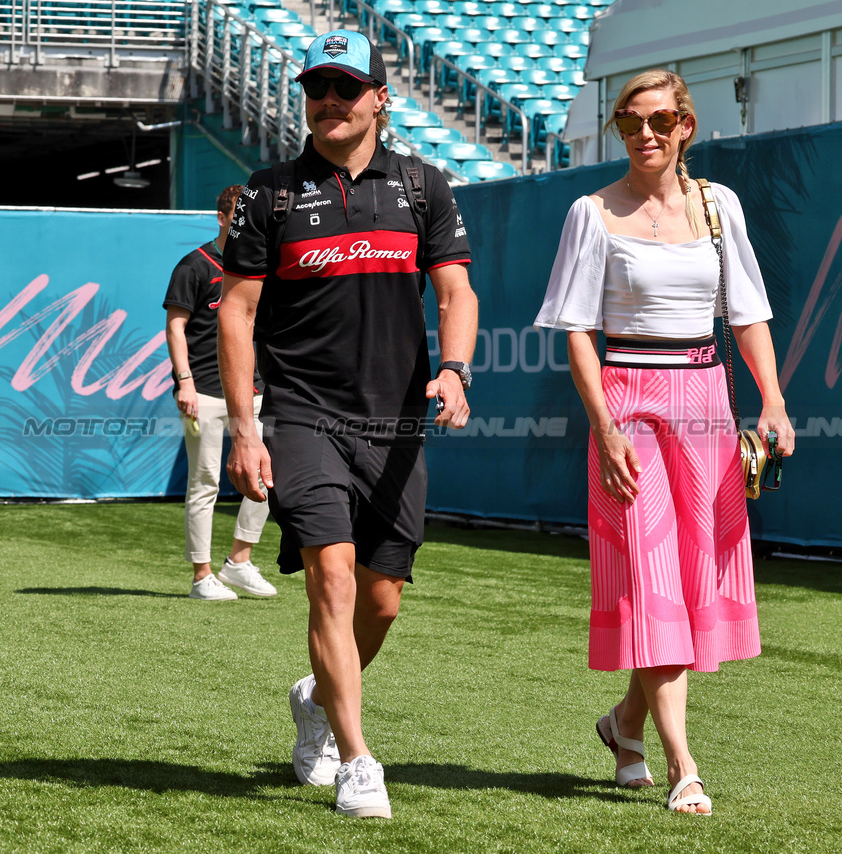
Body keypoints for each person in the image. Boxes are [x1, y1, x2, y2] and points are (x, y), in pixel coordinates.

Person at [218, 30, 477, 819]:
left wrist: (455, 369)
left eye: (347, 87)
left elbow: (456, 294)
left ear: (379, 98)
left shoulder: (425, 186)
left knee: (384, 597)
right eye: (317, 88)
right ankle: (358, 759)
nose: (329, 101)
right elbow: (236, 310)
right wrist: (245, 427)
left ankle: (318, 695)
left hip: (395, 421)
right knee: (330, 574)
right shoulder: (268, 194)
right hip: (302, 413)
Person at [534, 69, 796, 815]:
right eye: (628, 122)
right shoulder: (591, 213)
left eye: (657, 120)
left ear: (686, 126)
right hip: (628, 407)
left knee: (685, 584)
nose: (642, 134)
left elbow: (747, 314)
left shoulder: (719, 207)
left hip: (707, 405)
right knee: (651, 585)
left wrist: (772, 399)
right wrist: (605, 427)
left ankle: (624, 725)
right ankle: (684, 763)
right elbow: (579, 334)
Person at [163, 185, 276, 602]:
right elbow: (176, 327)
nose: (246, 224)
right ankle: (201, 577)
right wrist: (184, 381)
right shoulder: (194, 265)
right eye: (237, 216)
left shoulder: (262, 265)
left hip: (256, 393)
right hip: (205, 392)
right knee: (205, 482)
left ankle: (239, 562)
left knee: (268, 475)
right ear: (222, 217)